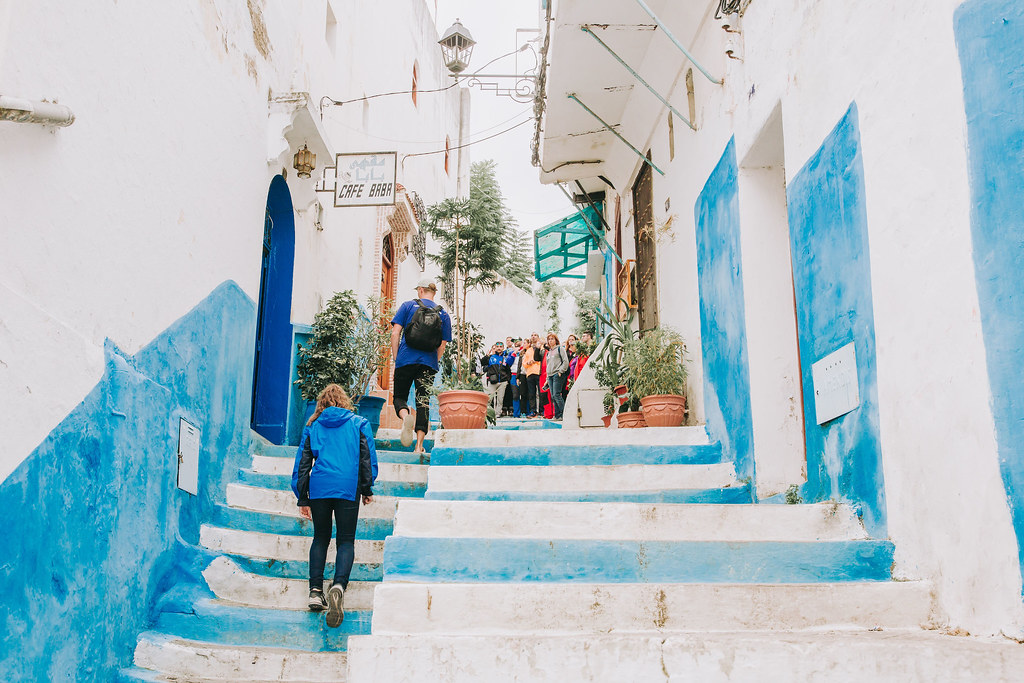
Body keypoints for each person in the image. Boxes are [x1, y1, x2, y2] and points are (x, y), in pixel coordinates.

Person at [291, 384, 378, 628]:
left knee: (320, 538)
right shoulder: (358, 423)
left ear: (322, 403)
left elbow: (303, 462)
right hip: (347, 487)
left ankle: (315, 590)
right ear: (344, 401)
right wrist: (367, 488)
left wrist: (302, 497)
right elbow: (366, 456)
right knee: (346, 540)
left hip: (319, 487)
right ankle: (338, 585)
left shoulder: (313, 425)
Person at [390, 277, 452, 454]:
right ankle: (418, 447)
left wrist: (396, 357)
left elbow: (395, 333)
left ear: (420, 290)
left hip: (405, 359)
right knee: (423, 402)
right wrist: (434, 362)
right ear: (434, 292)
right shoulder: (443, 314)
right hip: (428, 363)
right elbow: (442, 345)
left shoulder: (408, 306)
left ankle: (405, 417)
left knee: (399, 397)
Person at [544, 332, 569, 420]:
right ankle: (557, 415)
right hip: (550, 375)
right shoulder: (548, 352)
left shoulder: (560, 349)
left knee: (557, 394)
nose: (550, 341)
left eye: (552, 339)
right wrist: (547, 378)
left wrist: (560, 371)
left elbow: (565, 361)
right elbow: (548, 365)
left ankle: (564, 414)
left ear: (556, 340)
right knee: (553, 396)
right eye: (549, 339)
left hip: (557, 374)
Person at [484, 341, 514, 414]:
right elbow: (483, 364)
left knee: (500, 400)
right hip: (493, 381)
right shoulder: (491, 357)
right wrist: (486, 356)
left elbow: (508, 370)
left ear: (503, 348)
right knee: (489, 398)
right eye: (497, 347)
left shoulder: (505, 358)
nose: (499, 348)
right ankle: (487, 413)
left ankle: (497, 413)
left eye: (501, 347)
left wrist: (507, 380)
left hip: (503, 382)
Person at [522, 334, 542, 417]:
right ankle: (533, 411)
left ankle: (541, 411)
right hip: (530, 373)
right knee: (531, 393)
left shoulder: (541, 348)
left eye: (535, 335)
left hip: (539, 372)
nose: (533, 336)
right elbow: (524, 363)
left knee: (541, 393)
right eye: (532, 335)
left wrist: (535, 361)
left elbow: (542, 359)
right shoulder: (528, 350)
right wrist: (528, 363)